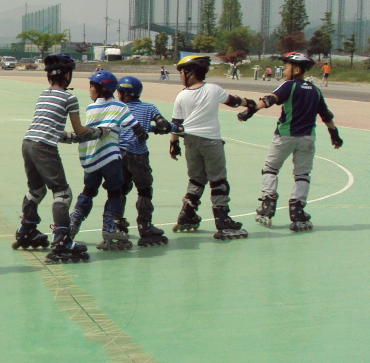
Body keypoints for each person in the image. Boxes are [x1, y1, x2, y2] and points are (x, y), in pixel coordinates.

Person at [11, 53, 109, 264]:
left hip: (28, 143)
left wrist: (73, 138)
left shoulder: (43, 95)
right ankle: (62, 240)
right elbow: (81, 130)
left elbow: (52, 129)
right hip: (44, 147)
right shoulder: (69, 98)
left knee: (36, 190)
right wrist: (100, 132)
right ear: (67, 75)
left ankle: (26, 229)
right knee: (62, 192)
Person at [237, 52, 342, 232]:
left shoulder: (289, 85)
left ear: (296, 69)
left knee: (270, 169)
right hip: (307, 138)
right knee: (302, 174)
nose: (284, 71)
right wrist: (335, 135)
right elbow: (326, 116)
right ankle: (297, 210)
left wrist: (250, 111)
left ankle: (268, 202)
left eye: (286, 67)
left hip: (285, 136)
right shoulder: (315, 90)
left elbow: (270, 99)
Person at [168, 54, 249, 240]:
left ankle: (187, 213)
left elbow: (176, 123)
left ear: (191, 73)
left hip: (190, 141)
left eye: (182, 72)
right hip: (211, 142)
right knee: (218, 180)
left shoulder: (181, 95)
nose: (180, 76)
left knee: (196, 179)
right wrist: (249, 103)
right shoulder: (213, 89)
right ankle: (222, 220)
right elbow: (234, 101)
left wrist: (174, 144)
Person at [67, 71, 148, 252]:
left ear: (101, 88)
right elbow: (134, 126)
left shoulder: (90, 108)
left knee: (88, 191)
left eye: (91, 86)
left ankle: (73, 223)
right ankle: (109, 228)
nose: (89, 90)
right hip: (110, 157)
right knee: (115, 192)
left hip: (91, 157)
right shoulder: (119, 106)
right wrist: (143, 135)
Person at [114, 76, 172, 246]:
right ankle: (145, 226)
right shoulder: (149, 107)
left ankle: (117, 224)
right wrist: (168, 128)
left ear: (125, 93)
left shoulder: (118, 108)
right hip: (138, 155)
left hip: (119, 153)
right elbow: (162, 124)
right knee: (144, 190)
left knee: (121, 190)